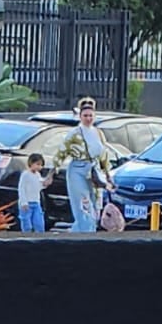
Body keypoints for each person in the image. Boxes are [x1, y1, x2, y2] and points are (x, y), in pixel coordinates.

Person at [54, 96, 115, 233]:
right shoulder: (74, 134)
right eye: (85, 115)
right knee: (83, 203)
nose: (88, 118)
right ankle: (83, 231)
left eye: (90, 115)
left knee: (95, 204)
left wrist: (108, 176)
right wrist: (51, 174)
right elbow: (61, 153)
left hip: (94, 170)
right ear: (80, 116)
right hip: (78, 169)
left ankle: (90, 230)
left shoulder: (98, 133)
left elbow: (104, 155)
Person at [17, 152, 52, 233]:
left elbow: (39, 187)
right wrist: (23, 202)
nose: (39, 167)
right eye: (37, 164)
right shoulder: (25, 175)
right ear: (31, 163)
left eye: (41, 165)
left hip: (36, 202)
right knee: (27, 223)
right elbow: (21, 189)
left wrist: (46, 183)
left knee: (38, 222)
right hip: (26, 203)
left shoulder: (37, 175)